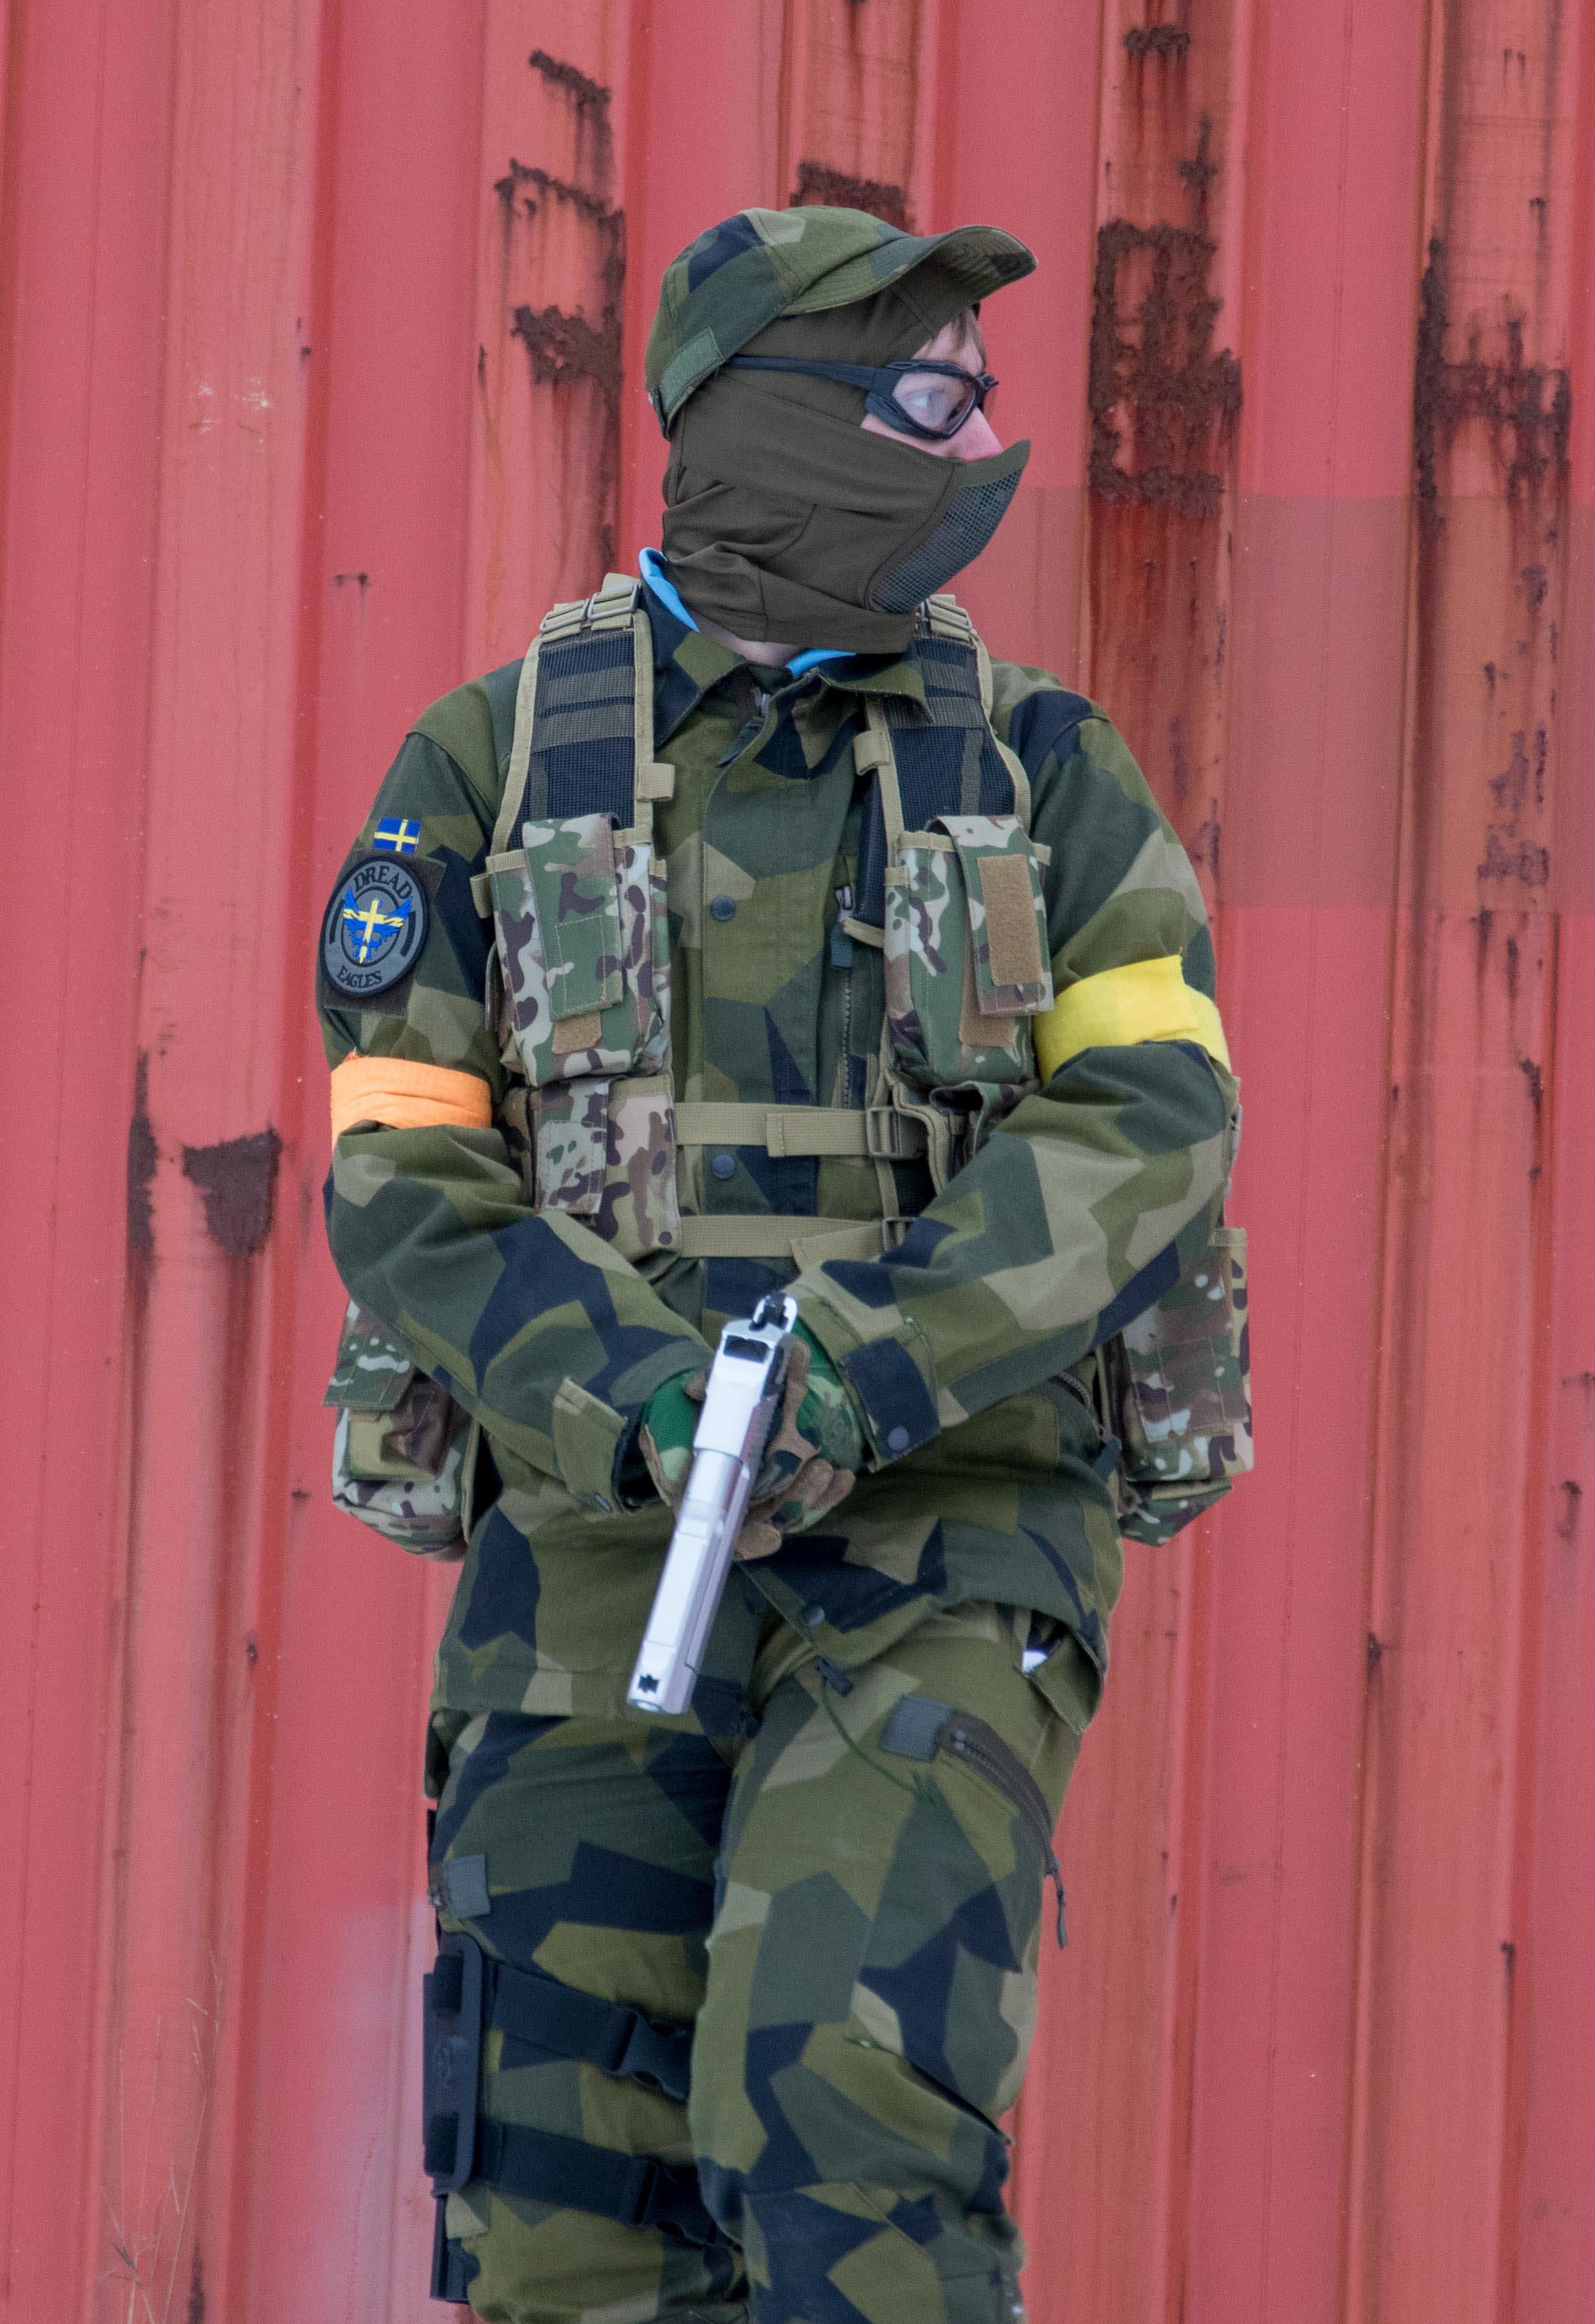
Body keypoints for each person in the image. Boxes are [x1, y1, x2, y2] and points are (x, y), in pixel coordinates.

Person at [315, 204, 1250, 2324]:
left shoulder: (1043, 769)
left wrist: (858, 1362)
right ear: (772, 425)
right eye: (933, 398)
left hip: (947, 1536)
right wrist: (645, 1398)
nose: (985, 444)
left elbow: (1152, 1121)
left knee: (837, 2114)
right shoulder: (490, 761)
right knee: (560, 2198)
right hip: (592, 1551)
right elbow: (406, 1171)